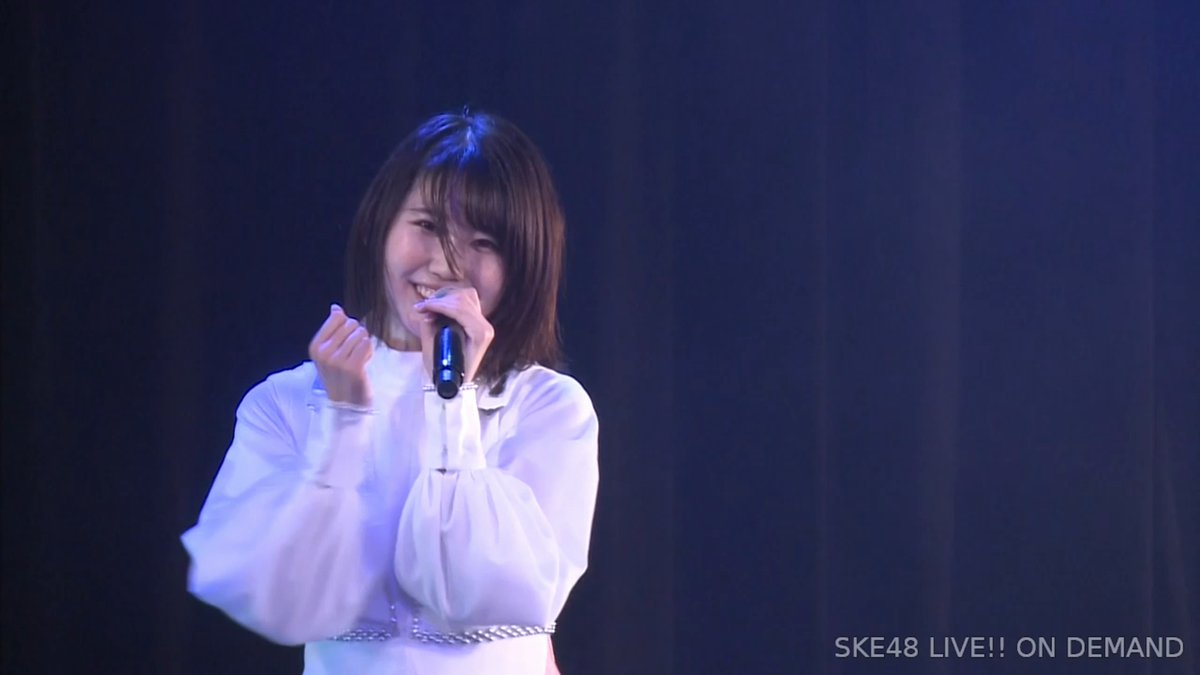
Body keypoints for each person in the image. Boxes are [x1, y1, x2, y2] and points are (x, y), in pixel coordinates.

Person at [181, 111, 599, 675]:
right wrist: (341, 424)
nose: (446, 263)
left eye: (482, 241)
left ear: (521, 264)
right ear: (380, 226)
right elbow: (276, 598)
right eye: (426, 225)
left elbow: (487, 597)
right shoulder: (286, 403)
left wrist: (451, 402)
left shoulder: (549, 408)